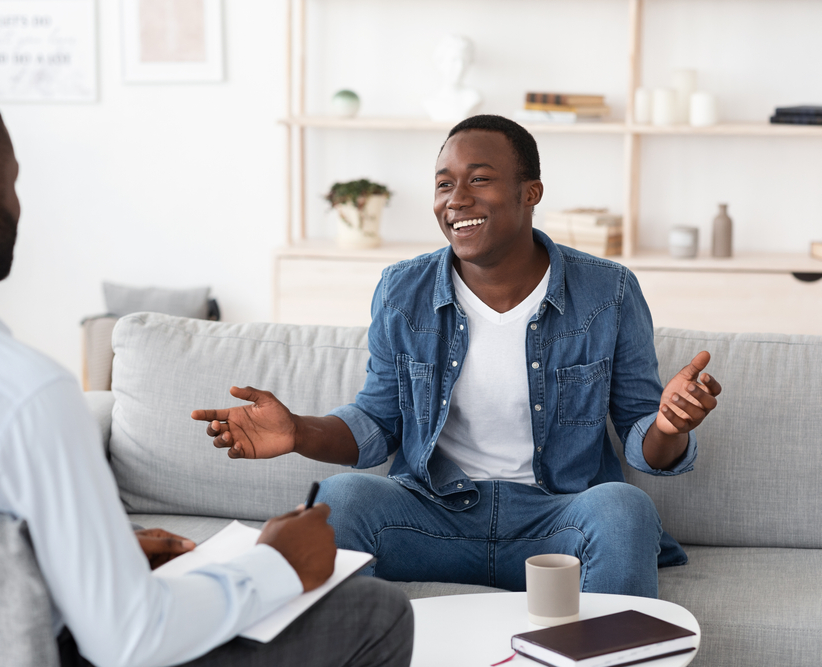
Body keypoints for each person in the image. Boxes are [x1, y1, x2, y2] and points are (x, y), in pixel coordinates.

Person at [0, 82, 413, 667]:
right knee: (374, 613)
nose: (18, 206)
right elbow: (130, 638)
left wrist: (94, 558)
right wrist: (275, 564)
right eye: (13, 185)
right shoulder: (22, 393)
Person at [192, 114, 722, 599]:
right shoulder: (402, 291)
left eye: (480, 179)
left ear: (530, 192)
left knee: (624, 508)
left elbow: (643, 442)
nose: (456, 198)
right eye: (445, 184)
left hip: (554, 525)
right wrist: (299, 432)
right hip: (433, 519)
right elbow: (379, 420)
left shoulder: (609, 292)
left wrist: (670, 425)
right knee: (341, 499)